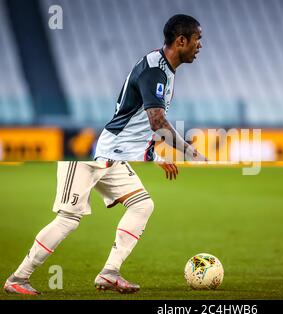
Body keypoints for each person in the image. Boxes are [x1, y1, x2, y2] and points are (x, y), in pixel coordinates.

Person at [4, 14, 205, 295]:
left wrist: (155, 157)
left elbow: (138, 127)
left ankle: (110, 272)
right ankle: (18, 278)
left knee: (142, 205)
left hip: (116, 154)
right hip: (97, 156)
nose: (200, 45)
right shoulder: (155, 71)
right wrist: (190, 151)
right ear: (181, 40)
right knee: (68, 219)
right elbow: (156, 122)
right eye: (198, 39)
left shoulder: (163, 70)